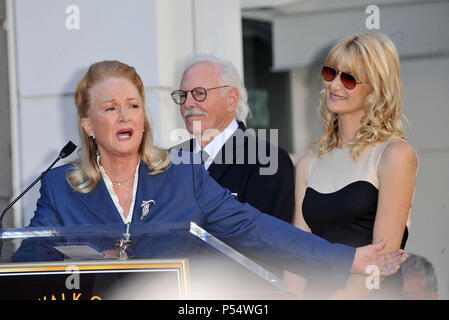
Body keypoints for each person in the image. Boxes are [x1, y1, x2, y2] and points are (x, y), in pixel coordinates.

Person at [13, 60, 406, 292]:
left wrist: (350, 258)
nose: (125, 116)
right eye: (110, 108)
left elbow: (261, 231)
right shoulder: (60, 187)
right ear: (88, 124)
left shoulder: (184, 178)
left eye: (133, 105)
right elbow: (26, 264)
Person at [291, 32, 419, 299]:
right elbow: (297, 255)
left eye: (348, 79)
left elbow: (381, 257)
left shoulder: (394, 155)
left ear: (375, 87)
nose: (335, 85)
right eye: (330, 73)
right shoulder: (308, 163)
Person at [170, 55, 294, 223]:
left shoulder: (268, 161)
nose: (188, 103)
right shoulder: (170, 160)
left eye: (199, 93)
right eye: (183, 95)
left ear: (231, 99)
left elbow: (266, 242)